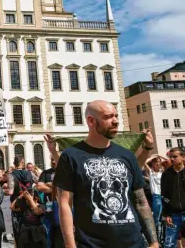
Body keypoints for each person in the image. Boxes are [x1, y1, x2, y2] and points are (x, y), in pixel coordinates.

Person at [54, 100, 158, 248]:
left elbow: (141, 202)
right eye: (108, 117)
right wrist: (70, 245)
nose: (115, 121)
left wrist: (154, 242)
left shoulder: (127, 156)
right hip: (92, 244)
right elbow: (65, 204)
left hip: (134, 243)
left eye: (116, 116)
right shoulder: (71, 156)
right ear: (91, 120)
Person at [7, 156, 34, 245]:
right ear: (22, 162)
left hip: (17, 205)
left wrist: (3, 190)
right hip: (29, 204)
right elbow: (37, 182)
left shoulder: (11, 175)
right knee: (30, 232)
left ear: (14, 163)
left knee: (18, 233)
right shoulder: (30, 173)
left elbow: (10, 192)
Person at [161, 147, 185, 248]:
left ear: (183, 157)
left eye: (175, 156)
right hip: (174, 215)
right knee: (169, 244)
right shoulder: (166, 174)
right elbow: (164, 195)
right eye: (170, 157)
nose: (172, 159)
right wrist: (167, 214)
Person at [144, 155, 166, 231]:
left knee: (165, 217)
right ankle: (156, 235)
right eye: (155, 162)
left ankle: (163, 235)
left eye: (159, 162)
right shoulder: (151, 172)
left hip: (164, 196)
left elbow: (169, 162)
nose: (157, 163)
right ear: (152, 163)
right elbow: (144, 161)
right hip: (156, 197)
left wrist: (159, 156)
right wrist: (153, 156)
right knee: (156, 218)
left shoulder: (163, 172)